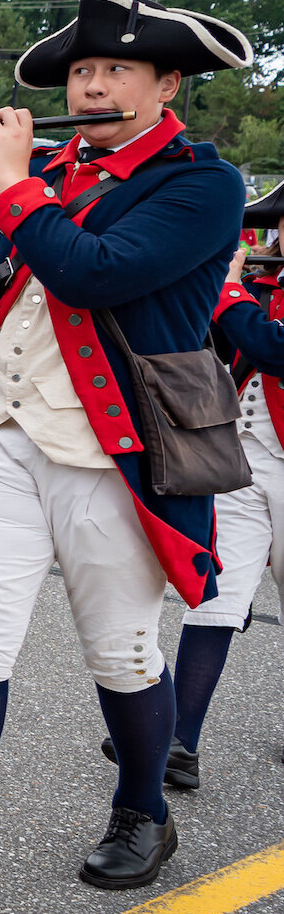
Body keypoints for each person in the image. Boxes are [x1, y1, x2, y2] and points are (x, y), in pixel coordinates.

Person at [0, 0, 255, 902]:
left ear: (166, 84)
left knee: (120, 647)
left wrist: (16, 180)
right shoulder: (52, 167)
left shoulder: (202, 182)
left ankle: (143, 809)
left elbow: (92, 272)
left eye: (117, 70)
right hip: (1, 430)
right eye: (82, 71)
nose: (93, 86)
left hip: (119, 450)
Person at [126, 182, 284, 789]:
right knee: (218, 599)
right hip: (245, 458)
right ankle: (180, 741)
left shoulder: (249, 292)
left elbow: (273, 348)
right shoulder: (265, 286)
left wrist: (229, 290)